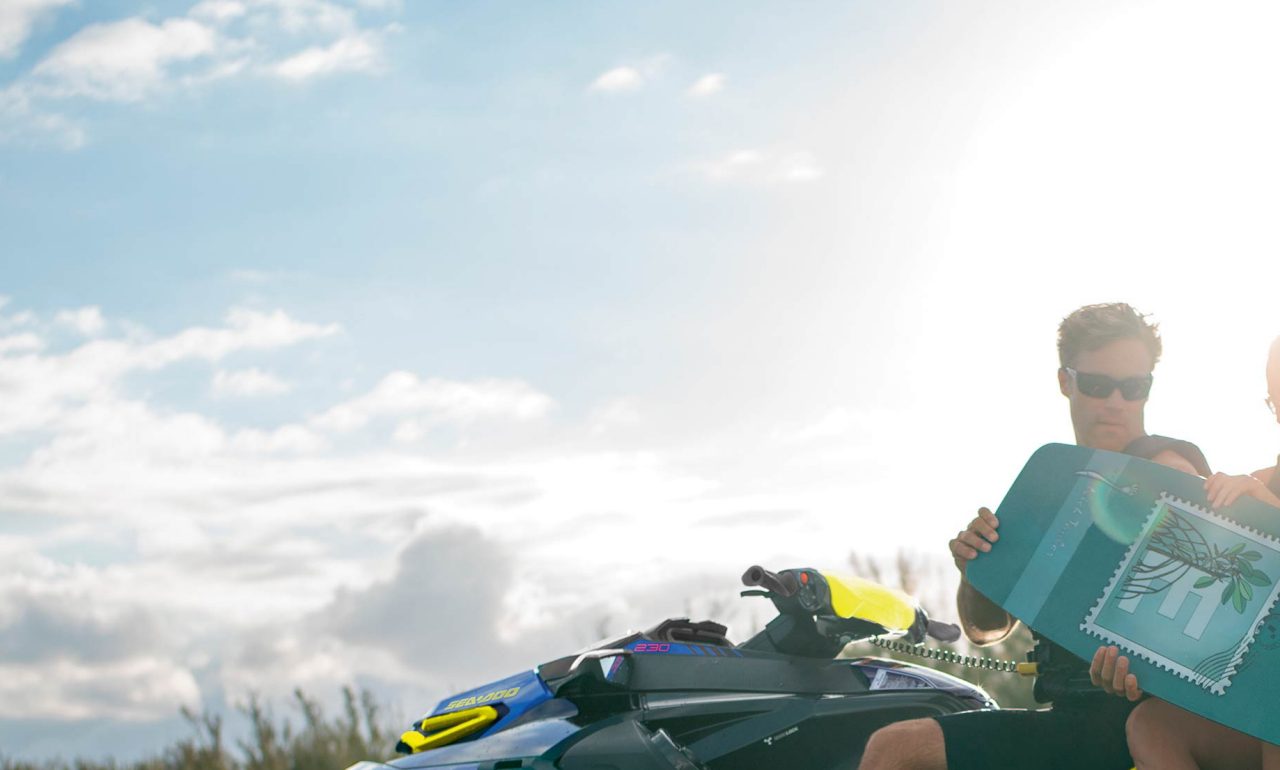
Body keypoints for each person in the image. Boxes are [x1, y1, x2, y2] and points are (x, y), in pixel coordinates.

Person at [858, 302, 1211, 770]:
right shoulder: (1044, 490)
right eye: (1097, 385)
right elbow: (986, 629)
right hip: (1071, 718)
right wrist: (976, 570)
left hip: (1157, 723)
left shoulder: (1170, 468)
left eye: (1133, 388)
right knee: (894, 747)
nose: (1116, 403)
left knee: (899, 751)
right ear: (1066, 382)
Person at [1119, 335, 1280, 770]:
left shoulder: (1262, 498)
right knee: (1150, 724)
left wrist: (1274, 517)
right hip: (1255, 707)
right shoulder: (1247, 488)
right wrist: (1131, 662)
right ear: (1272, 404)